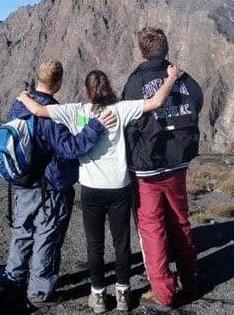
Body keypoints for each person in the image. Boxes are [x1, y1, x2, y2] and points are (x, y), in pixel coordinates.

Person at [17, 64, 183, 313]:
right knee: (121, 242)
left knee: (94, 244)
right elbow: (157, 101)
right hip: (119, 188)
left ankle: (98, 296)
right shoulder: (121, 109)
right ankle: (124, 293)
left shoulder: (74, 111)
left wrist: (23, 96)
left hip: (92, 190)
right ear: (108, 88)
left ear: (86, 91)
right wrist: (171, 77)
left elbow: (38, 111)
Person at [0, 60, 117, 308]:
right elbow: (69, 149)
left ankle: (12, 277)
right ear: (59, 83)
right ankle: (39, 293)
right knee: (47, 236)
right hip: (50, 187)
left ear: (36, 78)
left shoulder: (18, 105)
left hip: (22, 182)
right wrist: (94, 127)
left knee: (22, 230)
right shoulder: (53, 115)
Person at [122, 27, 203, 312]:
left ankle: (163, 292)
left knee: (151, 227)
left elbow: (129, 120)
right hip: (178, 162)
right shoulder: (183, 78)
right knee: (179, 220)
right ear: (165, 49)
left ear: (142, 52)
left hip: (147, 168)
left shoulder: (135, 82)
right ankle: (190, 278)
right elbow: (198, 101)